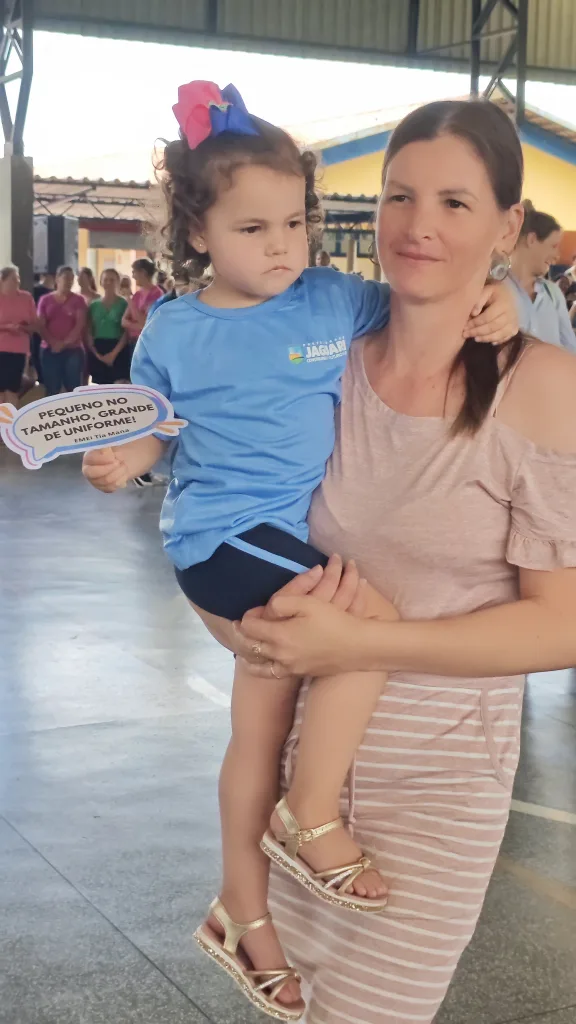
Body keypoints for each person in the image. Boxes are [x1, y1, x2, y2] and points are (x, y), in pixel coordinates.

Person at [81, 83, 518, 1021]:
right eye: (252, 229)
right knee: (369, 625)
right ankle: (309, 814)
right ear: (198, 233)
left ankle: (244, 913)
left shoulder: (329, 299)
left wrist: (502, 295)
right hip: (221, 538)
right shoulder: (177, 330)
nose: (281, 247)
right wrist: (126, 459)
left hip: (283, 539)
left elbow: (430, 294)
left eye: (295, 223)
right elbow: (156, 430)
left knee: (258, 730)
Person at [229, 98, 576, 1024]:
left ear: (507, 224)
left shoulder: (543, 389)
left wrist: (361, 644)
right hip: (300, 768)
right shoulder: (323, 361)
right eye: (399, 196)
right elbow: (232, 499)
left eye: (455, 203)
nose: (419, 225)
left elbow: (563, 624)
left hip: (438, 779)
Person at [509, 201, 576, 351]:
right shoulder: (496, 288)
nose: (557, 256)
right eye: (553, 246)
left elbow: (570, 349)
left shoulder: (553, 293)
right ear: (532, 240)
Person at [37, 266, 87, 396]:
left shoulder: (79, 300)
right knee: (52, 389)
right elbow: (41, 325)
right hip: (49, 349)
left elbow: (79, 325)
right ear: (57, 279)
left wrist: (64, 343)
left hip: (73, 349)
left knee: (73, 389)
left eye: (71, 278)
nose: (69, 281)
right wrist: (53, 343)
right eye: (66, 278)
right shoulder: (45, 300)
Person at [0, 265, 37, 407]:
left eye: (18, 278)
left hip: (19, 350)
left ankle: (11, 419)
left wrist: (23, 327)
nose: (18, 282)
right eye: (13, 279)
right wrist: (7, 327)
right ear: (3, 280)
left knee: (13, 389)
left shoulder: (26, 298)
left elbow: (34, 324)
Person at [86, 269, 130, 384]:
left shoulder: (124, 304)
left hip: (118, 349)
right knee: (101, 388)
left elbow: (126, 332)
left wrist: (113, 354)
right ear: (101, 282)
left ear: (118, 282)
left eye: (112, 280)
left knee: (119, 387)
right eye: (105, 279)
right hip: (98, 348)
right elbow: (89, 330)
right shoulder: (93, 305)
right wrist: (97, 354)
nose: (108, 282)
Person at [121, 258, 164, 366]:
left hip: (147, 343)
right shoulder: (137, 294)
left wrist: (129, 299)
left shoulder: (157, 294)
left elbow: (145, 322)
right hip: (133, 341)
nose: (133, 276)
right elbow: (124, 321)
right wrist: (139, 325)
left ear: (143, 272)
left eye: (134, 272)